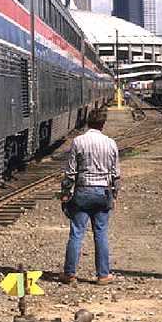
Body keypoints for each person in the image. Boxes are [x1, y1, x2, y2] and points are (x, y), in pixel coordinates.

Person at [60, 108, 120, 285]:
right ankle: (103, 275)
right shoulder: (111, 143)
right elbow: (116, 174)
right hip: (103, 192)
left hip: (82, 192)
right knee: (101, 233)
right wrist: (114, 195)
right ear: (103, 124)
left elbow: (70, 173)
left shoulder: (78, 142)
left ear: (88, 122)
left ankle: (69, 274)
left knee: (77, 233)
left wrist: (65, 194)